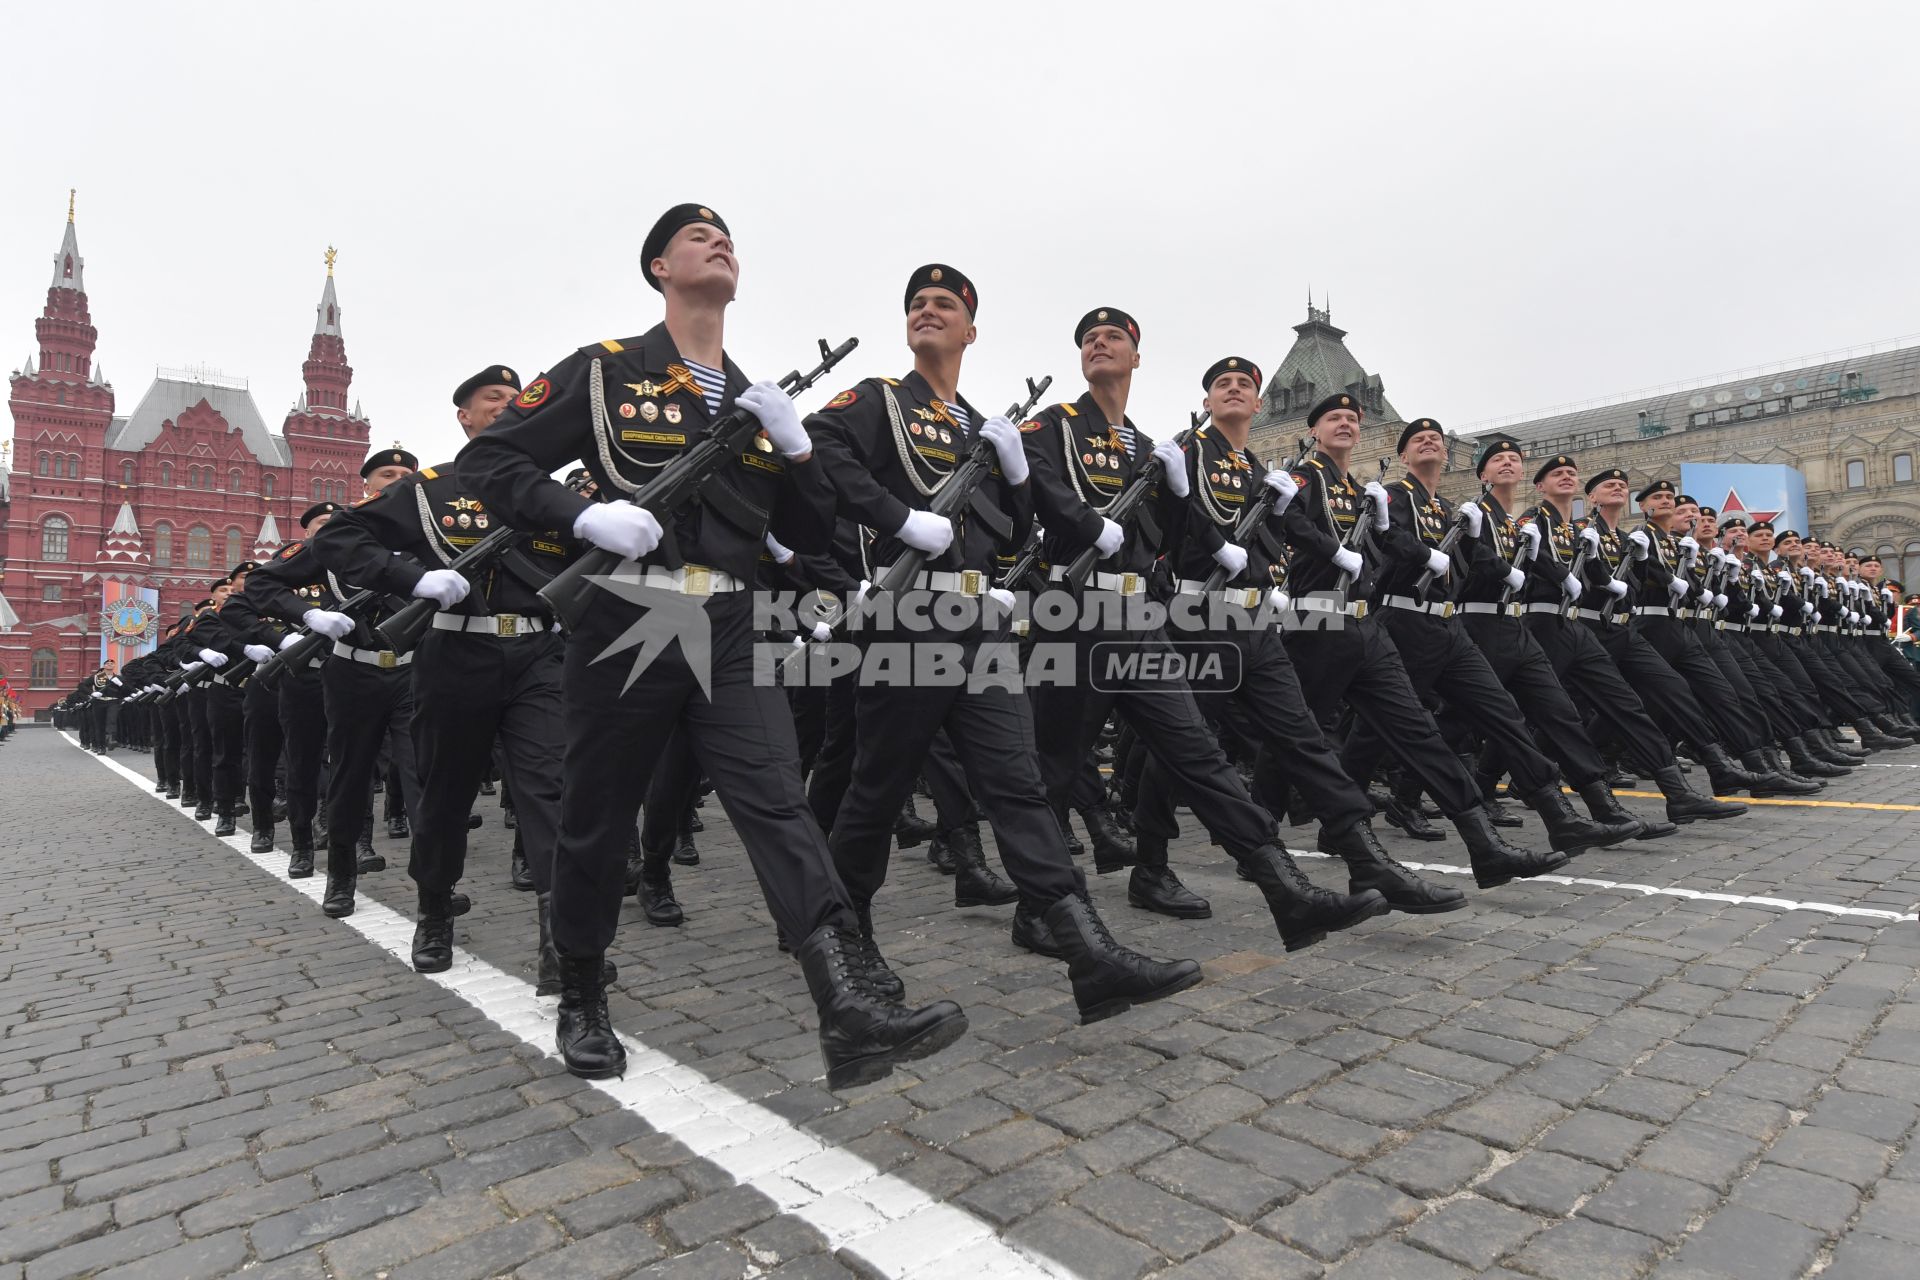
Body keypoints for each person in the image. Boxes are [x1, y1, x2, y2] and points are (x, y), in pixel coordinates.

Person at [458, 203, 967, 1089]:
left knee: (777, 800)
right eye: (697, 236)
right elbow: (493, 462)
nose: (718, 241)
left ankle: (844, 1007)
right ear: (659, 266)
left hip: (731, 619)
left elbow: (804, 535)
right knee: (598, 817)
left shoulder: (754, 399)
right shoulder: (606, 371)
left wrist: (802, 453)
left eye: (727, 235)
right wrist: (581, 513)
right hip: (631, 613)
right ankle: (581, 985)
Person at [806, 264, 1209, 1011]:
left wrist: (1019, 481)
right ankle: (846, 933)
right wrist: (894, 520)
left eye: (946, 305)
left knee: (1019, 786)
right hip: (910, 619)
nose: (929, 311)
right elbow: (820, 447)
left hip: (977, 622)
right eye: (918, 304)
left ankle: (1085, 948)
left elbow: (1011, 534)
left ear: (970, 330)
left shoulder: (979, 428)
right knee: (878, 788)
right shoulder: (878, 399)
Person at [1019, 310, 1389, 948]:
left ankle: (1286, 891)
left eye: (1114, 338)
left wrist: (1183, 495)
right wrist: (1086, 525)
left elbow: (1160, 536)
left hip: (1139, 618)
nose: (1100, 344)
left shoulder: (1143, 445)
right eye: (1089, 339)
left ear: (1138, 357)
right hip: (1077, 613)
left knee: (1199, 753)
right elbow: (1037, 490)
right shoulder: (1055, 424)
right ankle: (1040, 909)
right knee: (1058, 764)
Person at [1136, 362, 1466, 916]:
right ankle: (1149, 865)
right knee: (1181, 747)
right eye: (1223, 384)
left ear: (1259, 402)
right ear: (1208, 399)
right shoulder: (1187, 451)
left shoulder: (1257, 467)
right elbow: (1160, 533)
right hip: (1199, 615)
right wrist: (1188, 511)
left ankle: (1366, 859)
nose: (1234, 389)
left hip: (1257, 619)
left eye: (1244, 384)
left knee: (1304, 738)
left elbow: (1271, 543)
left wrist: (1270, 559)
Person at [312, 364, 589, 993]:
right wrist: (412, 580)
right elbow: (341, 539)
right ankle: (435, 908)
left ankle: (561, 942)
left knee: (551, 791)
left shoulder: (549, 490)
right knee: (443, 794)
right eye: (493, 399)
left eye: (518, 399)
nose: (509, 405)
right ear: (463, 416)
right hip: (457, 657)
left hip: (540, 656)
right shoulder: (431, 490)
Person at [1273, 397, 1566, 886]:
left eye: (1352, 419)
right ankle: (1262, 835)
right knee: (1291, 734)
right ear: (1313, 431)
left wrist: (1393, 536)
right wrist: (1337, 550)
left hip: (1366, 623)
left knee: (1416, 730)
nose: (1345, 423)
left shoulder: (1360, 490)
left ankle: (1484, 844)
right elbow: (1291, 527)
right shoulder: (1305, 478)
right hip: (1316, 618)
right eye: (1333, 419)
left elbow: (1390, 553)